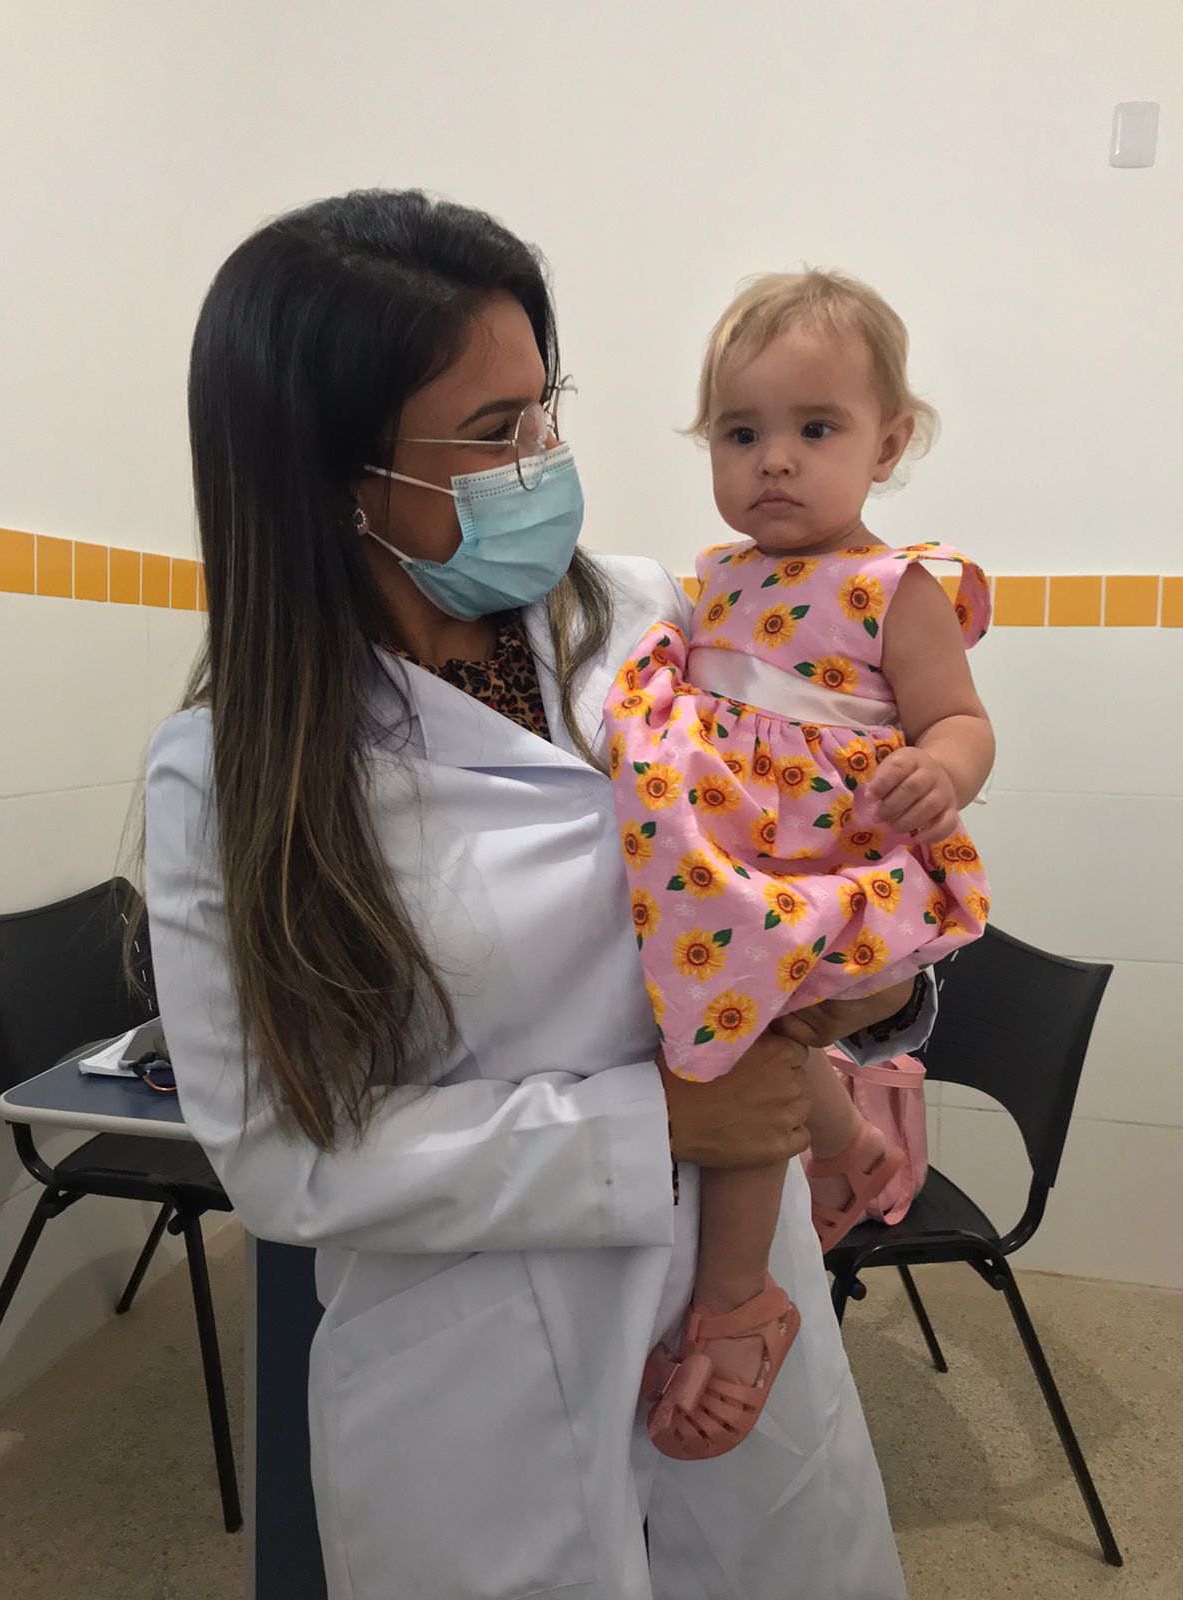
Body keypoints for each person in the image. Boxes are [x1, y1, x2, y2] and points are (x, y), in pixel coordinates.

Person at [142, 190, 925, 1600]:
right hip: (476, 1374)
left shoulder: (654, 619)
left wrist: (867, 990)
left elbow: (822, 833)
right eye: (493, 433)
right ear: (334, 474)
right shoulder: (232, 772)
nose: (543, 462)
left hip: (738, 1303)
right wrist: (655, 1122)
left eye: (543, 409)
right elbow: (285, 1159)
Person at [605, 270, 994, 1462]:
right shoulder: (717, 577)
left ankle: (739, 1304)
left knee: (730, 1045)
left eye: (815, 428)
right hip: (738, 891)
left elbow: (961, 720)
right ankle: (854, 1144)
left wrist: (941, 769)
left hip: (846, 887)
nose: (774, 460)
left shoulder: (896, 587)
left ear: (891, 442)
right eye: (741, 433)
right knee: (735, 1014)